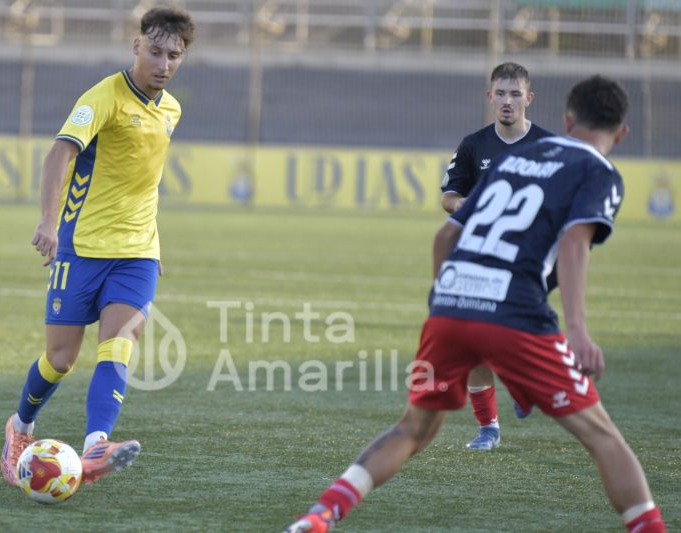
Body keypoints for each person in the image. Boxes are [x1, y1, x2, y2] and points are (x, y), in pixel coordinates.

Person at [285, 75, 666, 533]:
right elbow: (573, 244)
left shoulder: (517, 157)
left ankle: (322, 513)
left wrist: (444, 304)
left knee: (412, 430)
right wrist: (579, 332)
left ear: (567, 120)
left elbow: (446, 234)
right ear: (622, 133)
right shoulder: (598, 172)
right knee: (602, 436)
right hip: (515, 311)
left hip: (451, 304)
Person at [0, 7, 195, 487]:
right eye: (155, 51)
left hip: (137, 254)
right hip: (81, 248)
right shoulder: (101, 99)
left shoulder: (171, 109)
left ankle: (96, 446)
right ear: (136, 47)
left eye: (174, 55)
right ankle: (19, 427)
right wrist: (49, 221)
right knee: (61, 359)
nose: (164, 63)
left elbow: (145, 181)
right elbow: (59, 153)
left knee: (119, 343)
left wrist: (153, 244)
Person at [441, 62, 553, 450]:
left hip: (527, 263)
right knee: (474, 344)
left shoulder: (549, 148)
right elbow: (448, 195)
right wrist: (470, 206)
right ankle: (488, 427)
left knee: (511, 339)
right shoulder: (474, 145)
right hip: (480, 258)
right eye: (501, 94)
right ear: (490, 97)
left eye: (515, 94)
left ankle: (524, 383)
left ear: (529, 98)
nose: (507, 101)